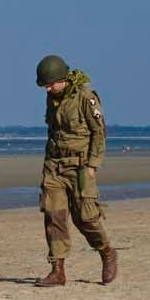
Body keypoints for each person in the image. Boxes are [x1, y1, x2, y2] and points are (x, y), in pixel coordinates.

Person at [33, 53, 120, 288]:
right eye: (45, 86)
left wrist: (93, 165)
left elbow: (98, 132)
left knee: (86, 218)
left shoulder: (86, 98)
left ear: (63, 78)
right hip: (54, 167)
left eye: (50, 84)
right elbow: (54, 133)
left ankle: (106, 252)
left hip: (80, 167)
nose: (48, 90)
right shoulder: (52, 99)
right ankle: (57, 270)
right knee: (54, 217)